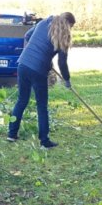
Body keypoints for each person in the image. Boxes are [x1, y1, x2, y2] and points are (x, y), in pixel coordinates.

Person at [7, 12, 75, 149]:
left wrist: (34, 54)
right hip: (38, 70)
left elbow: (27, 35)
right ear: (69, 24)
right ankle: (44, 141)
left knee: (21, 100)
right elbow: (62, 63)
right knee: (41, 105)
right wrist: (67, 80)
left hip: (23, 64)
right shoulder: (64, 36)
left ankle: (11, 134)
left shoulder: (44, 22)